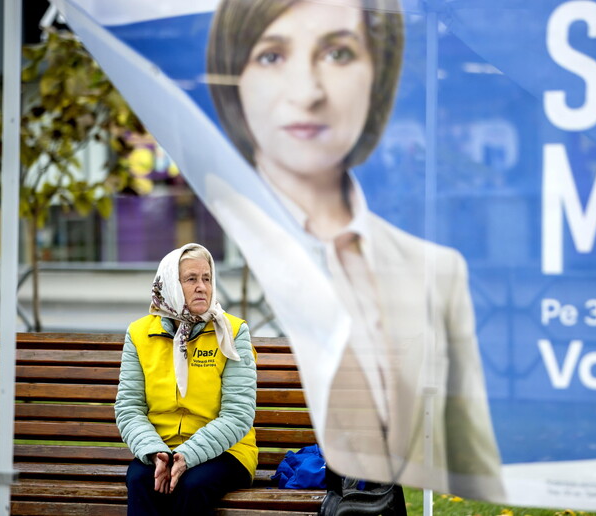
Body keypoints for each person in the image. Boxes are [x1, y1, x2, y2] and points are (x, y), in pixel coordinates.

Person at [206, 0, 503, 499]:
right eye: (272, 56)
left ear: (376, 79)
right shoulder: (227, 242)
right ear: (235, 84)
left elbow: (474, 466)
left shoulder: (434, 270)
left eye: (338, 54)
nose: (307, 91)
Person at [115, 243, 258, 515]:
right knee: (140, 480)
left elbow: (238, 414)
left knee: (192, 484)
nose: (202, 286)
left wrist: (187, 456)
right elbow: (129, 408)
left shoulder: (233, 331)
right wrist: (155, 453)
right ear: (169, 283)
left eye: (207, 278)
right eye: (191, 279)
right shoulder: (139, 333)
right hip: (158, 446)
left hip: (225, 452)